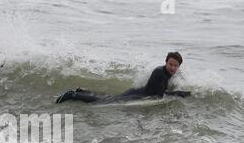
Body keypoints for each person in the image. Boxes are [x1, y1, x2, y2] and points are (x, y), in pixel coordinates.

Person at [55, 52, 191, 104]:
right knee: (104, 102)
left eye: (175, 65)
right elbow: (160, 95)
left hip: (138, 92)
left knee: (109, 97)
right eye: (170, 64)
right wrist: (178, 93)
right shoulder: (160, 73)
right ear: (166, 62)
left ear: (179, 66)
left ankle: (82, 91)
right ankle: (73, 95)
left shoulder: (170, 72)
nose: (173, 68)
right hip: (137, 96)